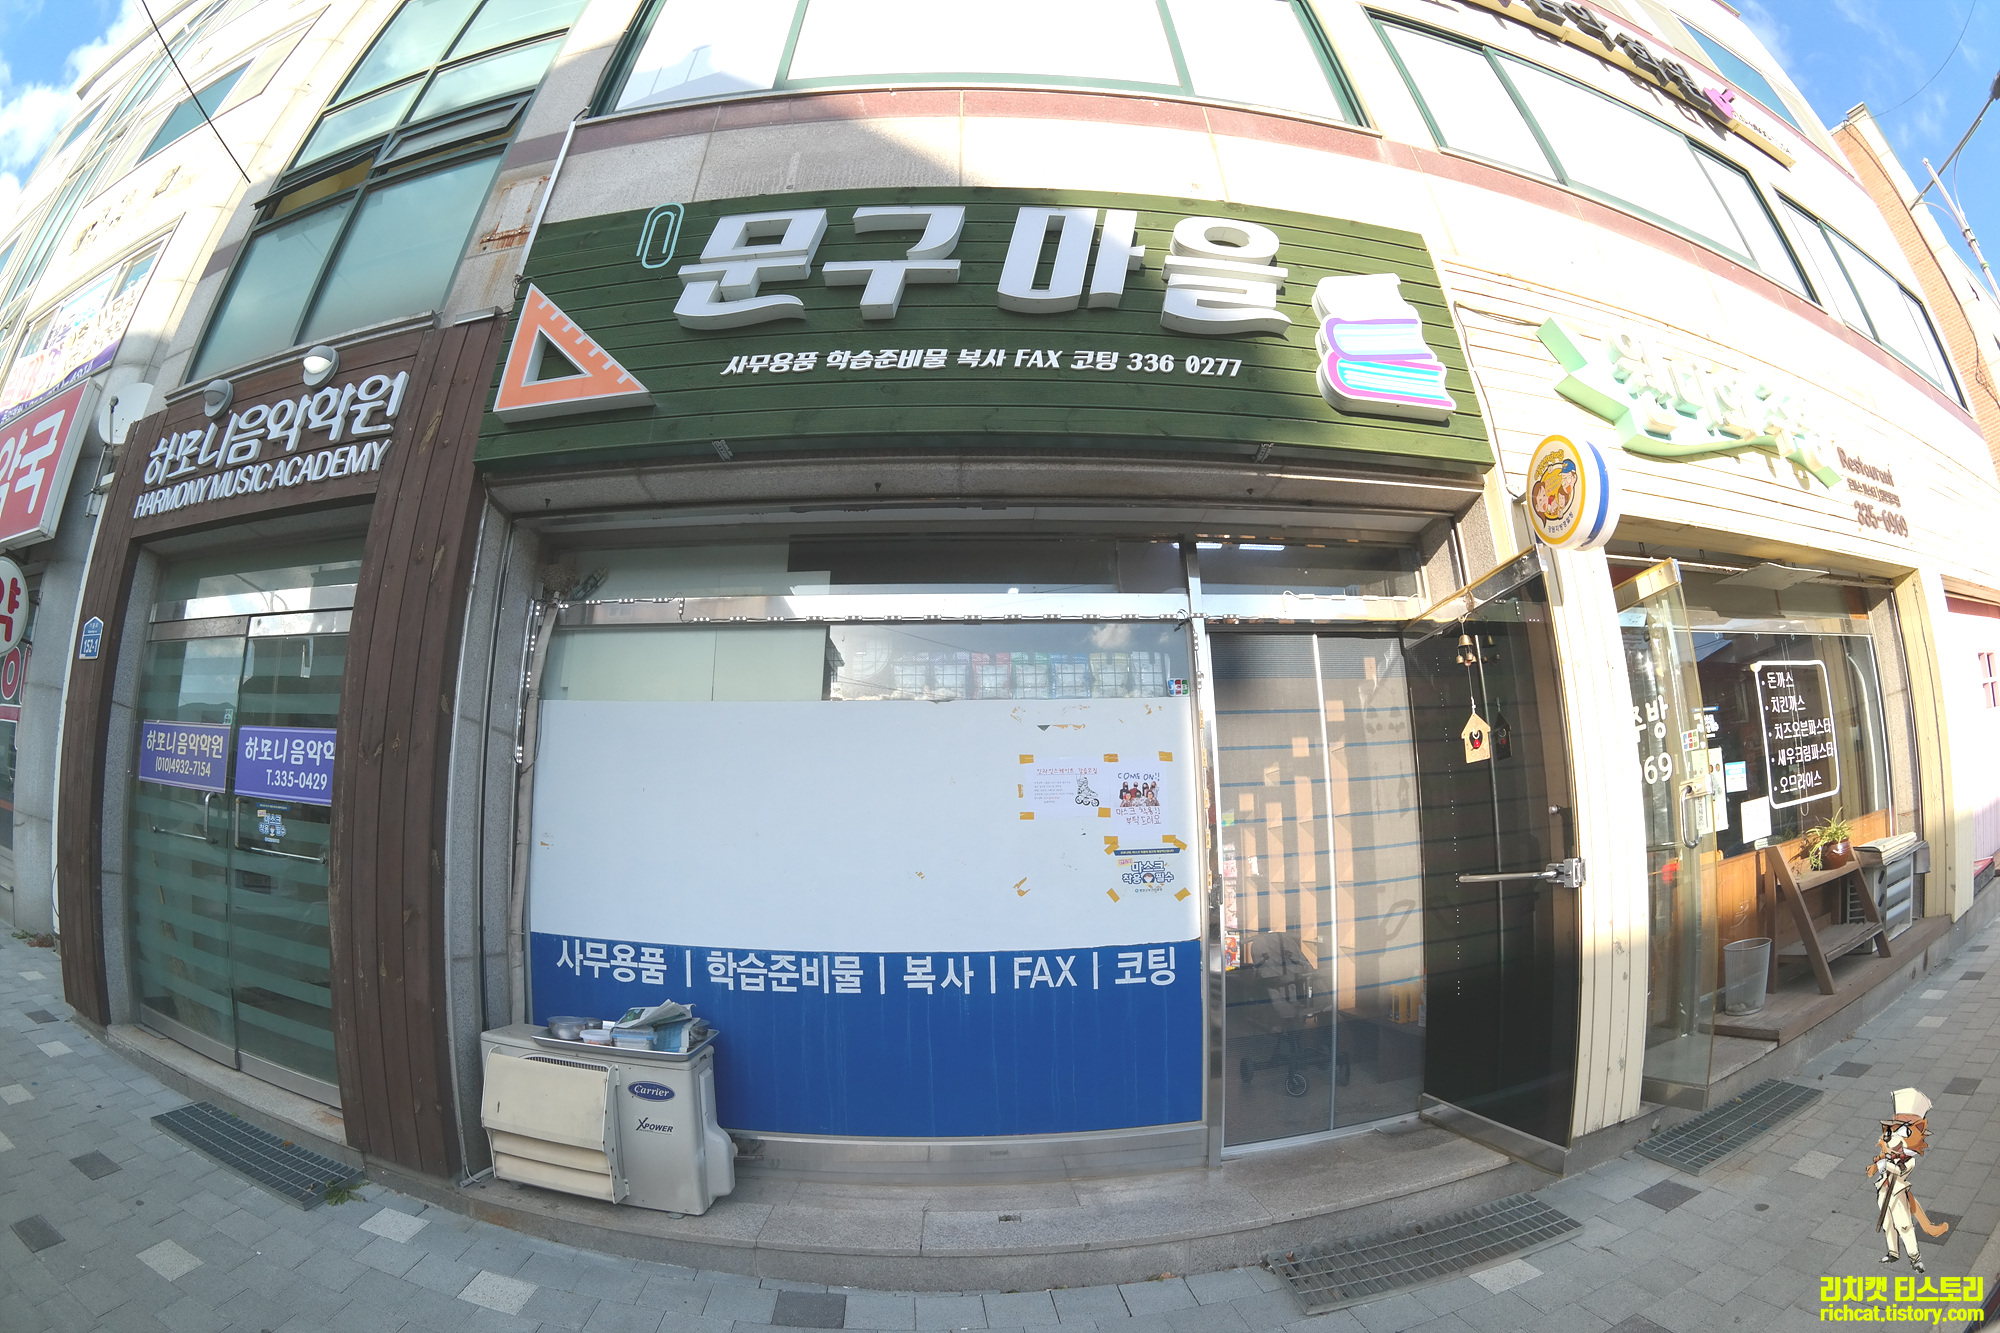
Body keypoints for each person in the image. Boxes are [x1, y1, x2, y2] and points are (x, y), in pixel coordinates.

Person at [1868, 1087, 1949, 1271]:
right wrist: (1877, 1164)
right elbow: (1881, 1164)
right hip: (1883, 1190)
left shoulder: (1909, 1161)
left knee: (1904, 1225)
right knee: (1887, 1222)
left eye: (1903, 1133)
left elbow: (1898, 1170)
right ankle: (1893, 1252)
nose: (1894, 1139)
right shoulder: (1886, 1154)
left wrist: (1883, 1163)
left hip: (1898, 1194)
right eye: (1893, 1131)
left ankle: (1915, 1258)